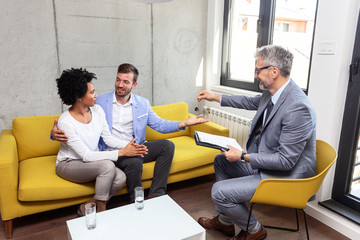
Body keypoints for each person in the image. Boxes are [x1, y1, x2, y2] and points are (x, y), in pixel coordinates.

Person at [196, 45, 317, 240]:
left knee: (219, 191)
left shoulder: (297, 108)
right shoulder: (273, 93)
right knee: (221, 161)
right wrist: (215, 96)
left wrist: (243, 156)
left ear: (274, 72)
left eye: (258, 70)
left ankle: (254, 230)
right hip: (271, 166)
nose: (255, 75)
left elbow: (286, 161)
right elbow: (248, 102)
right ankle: (226, 222)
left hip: (287, 176)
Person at [52, 63, 208, 202]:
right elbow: (74, 112)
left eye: (126, 82)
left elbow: (160, 125)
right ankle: (136, 201)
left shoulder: (142, 104)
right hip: (110, 150)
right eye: (118, 80)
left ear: (134, 85)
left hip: (133, 146)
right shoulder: (99, 102)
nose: (120, 85)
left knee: (167, 146)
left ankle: (156, 195)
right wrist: (54, 134)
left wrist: (184, 123)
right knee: (134, 161)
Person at [55, 68, 148, 216]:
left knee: (120, 177)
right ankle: (102, 211)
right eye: (92, 92)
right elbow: (85, 155)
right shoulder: (65, 121)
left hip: (90, 161)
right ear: (79, 96)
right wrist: (122, 152)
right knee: (107, 165)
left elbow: (108, 138)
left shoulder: (97, 110)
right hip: (68, 163)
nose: (96, 95)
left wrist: (129, 146)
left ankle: (88, 205)